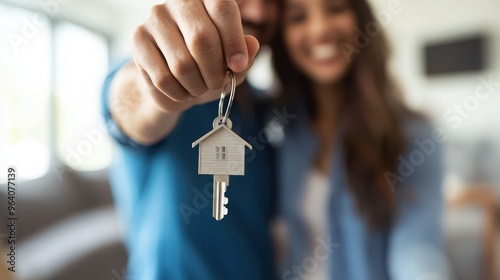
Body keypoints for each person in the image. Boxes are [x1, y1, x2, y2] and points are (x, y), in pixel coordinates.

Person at [269, 0, 450, 279]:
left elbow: (417, 250)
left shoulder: (414, 134)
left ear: (361, 20)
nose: (319, 29)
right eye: (298, 17)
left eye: (336, 8)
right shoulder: (278, 129)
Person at [102, 0, 280, 279]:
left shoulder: (265, 106)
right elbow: (131, 101)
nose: (258, 12)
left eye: (273, 2)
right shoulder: (159, 72)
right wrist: (160, 87)